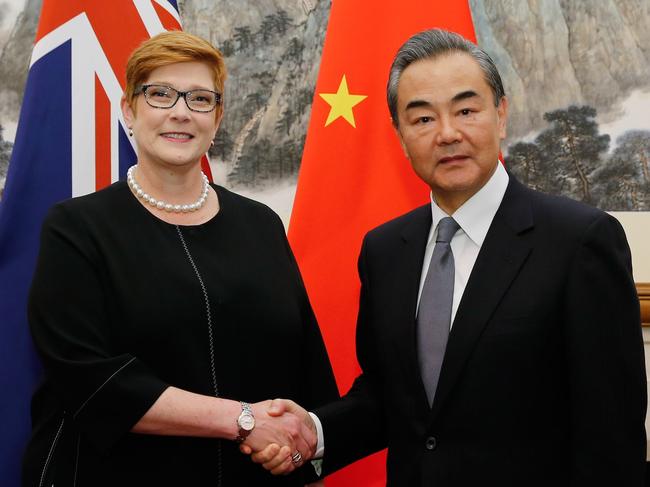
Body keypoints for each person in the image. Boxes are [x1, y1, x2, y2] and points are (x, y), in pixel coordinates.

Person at [250, 28, 647, 486]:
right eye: (422, 119)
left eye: (466, 110)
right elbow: (391, 397)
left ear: (500, 115)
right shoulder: (385, 250)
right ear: (399, 136)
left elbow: (611, 434)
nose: (447, 133)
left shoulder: (580, 241)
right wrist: (313, 433)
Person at [22, 31, 337, 486]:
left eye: (200, 99)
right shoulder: (76, 228)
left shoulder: (261, 224)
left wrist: (301, 443)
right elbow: (88, 379)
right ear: (129, 110)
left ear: (218, 116)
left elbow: (306, 367)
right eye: (160, 94)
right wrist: (243, 419)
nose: (180, 112)